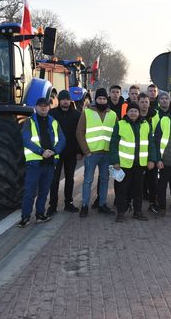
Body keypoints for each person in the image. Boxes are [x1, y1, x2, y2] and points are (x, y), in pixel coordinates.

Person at [18, 97, 66, 227]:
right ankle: (25, 217)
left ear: (49, 107)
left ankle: (40, 214)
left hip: (50, 163)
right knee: (30, 192)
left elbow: (62, 140)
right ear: (36, 107)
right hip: (34, 163)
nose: (43, 108)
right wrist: (41, 152)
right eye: (41, 106)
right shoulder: (29, 122)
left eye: (46, 106)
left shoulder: (54, 122)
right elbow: (26, 140)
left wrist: (54, 151)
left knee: (44, 191)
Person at [109, 102, 157, 222]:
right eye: (131, 111)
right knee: (122, 190)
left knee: (138, 190)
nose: (134, 113)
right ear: (127, 112)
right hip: (124, 165)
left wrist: (152, 159)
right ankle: (120, 213)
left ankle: (138, 211)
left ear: (139, 112)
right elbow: (113, 144)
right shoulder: (120, 124)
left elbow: (151, 144)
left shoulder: (146, 124)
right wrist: (115, 161)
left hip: (139, 165)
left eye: (135, 111)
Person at [76, 88, 117, 217]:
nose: (102, 101)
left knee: (105, 179)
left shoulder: (113, 114)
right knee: (88, 180)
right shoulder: (87, 113)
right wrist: (86, 151)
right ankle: (84, 205)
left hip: (107, 154)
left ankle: (102, 204)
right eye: (100, 98)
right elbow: (79, 132)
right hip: (91, 154)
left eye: (104, 99)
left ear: (107, 99)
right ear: (96, 99)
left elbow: (116, 135)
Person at [47, 90, 81, 216]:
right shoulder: (52, 113)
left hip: (71, 152)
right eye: (63, 99)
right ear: (59, 100)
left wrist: (80, 151)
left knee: (70, 179)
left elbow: (80, 134)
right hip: (55, 152)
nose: (65, 101)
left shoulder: (77, 114)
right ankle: (53, 205)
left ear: (70, 100)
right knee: (54, 179)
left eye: (67, 99)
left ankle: (69, 203)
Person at [138, 93, 161, 212]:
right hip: (138, 155)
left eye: (146, 102)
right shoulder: (134, 115)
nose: (144, 104)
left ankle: (153, 203)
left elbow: (158, 136)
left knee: (153, 181)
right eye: (141, 102)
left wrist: (154, 158)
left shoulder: (155, 115)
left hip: (152, 153)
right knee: (138, 182)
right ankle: (136, 205)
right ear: (138, 103)